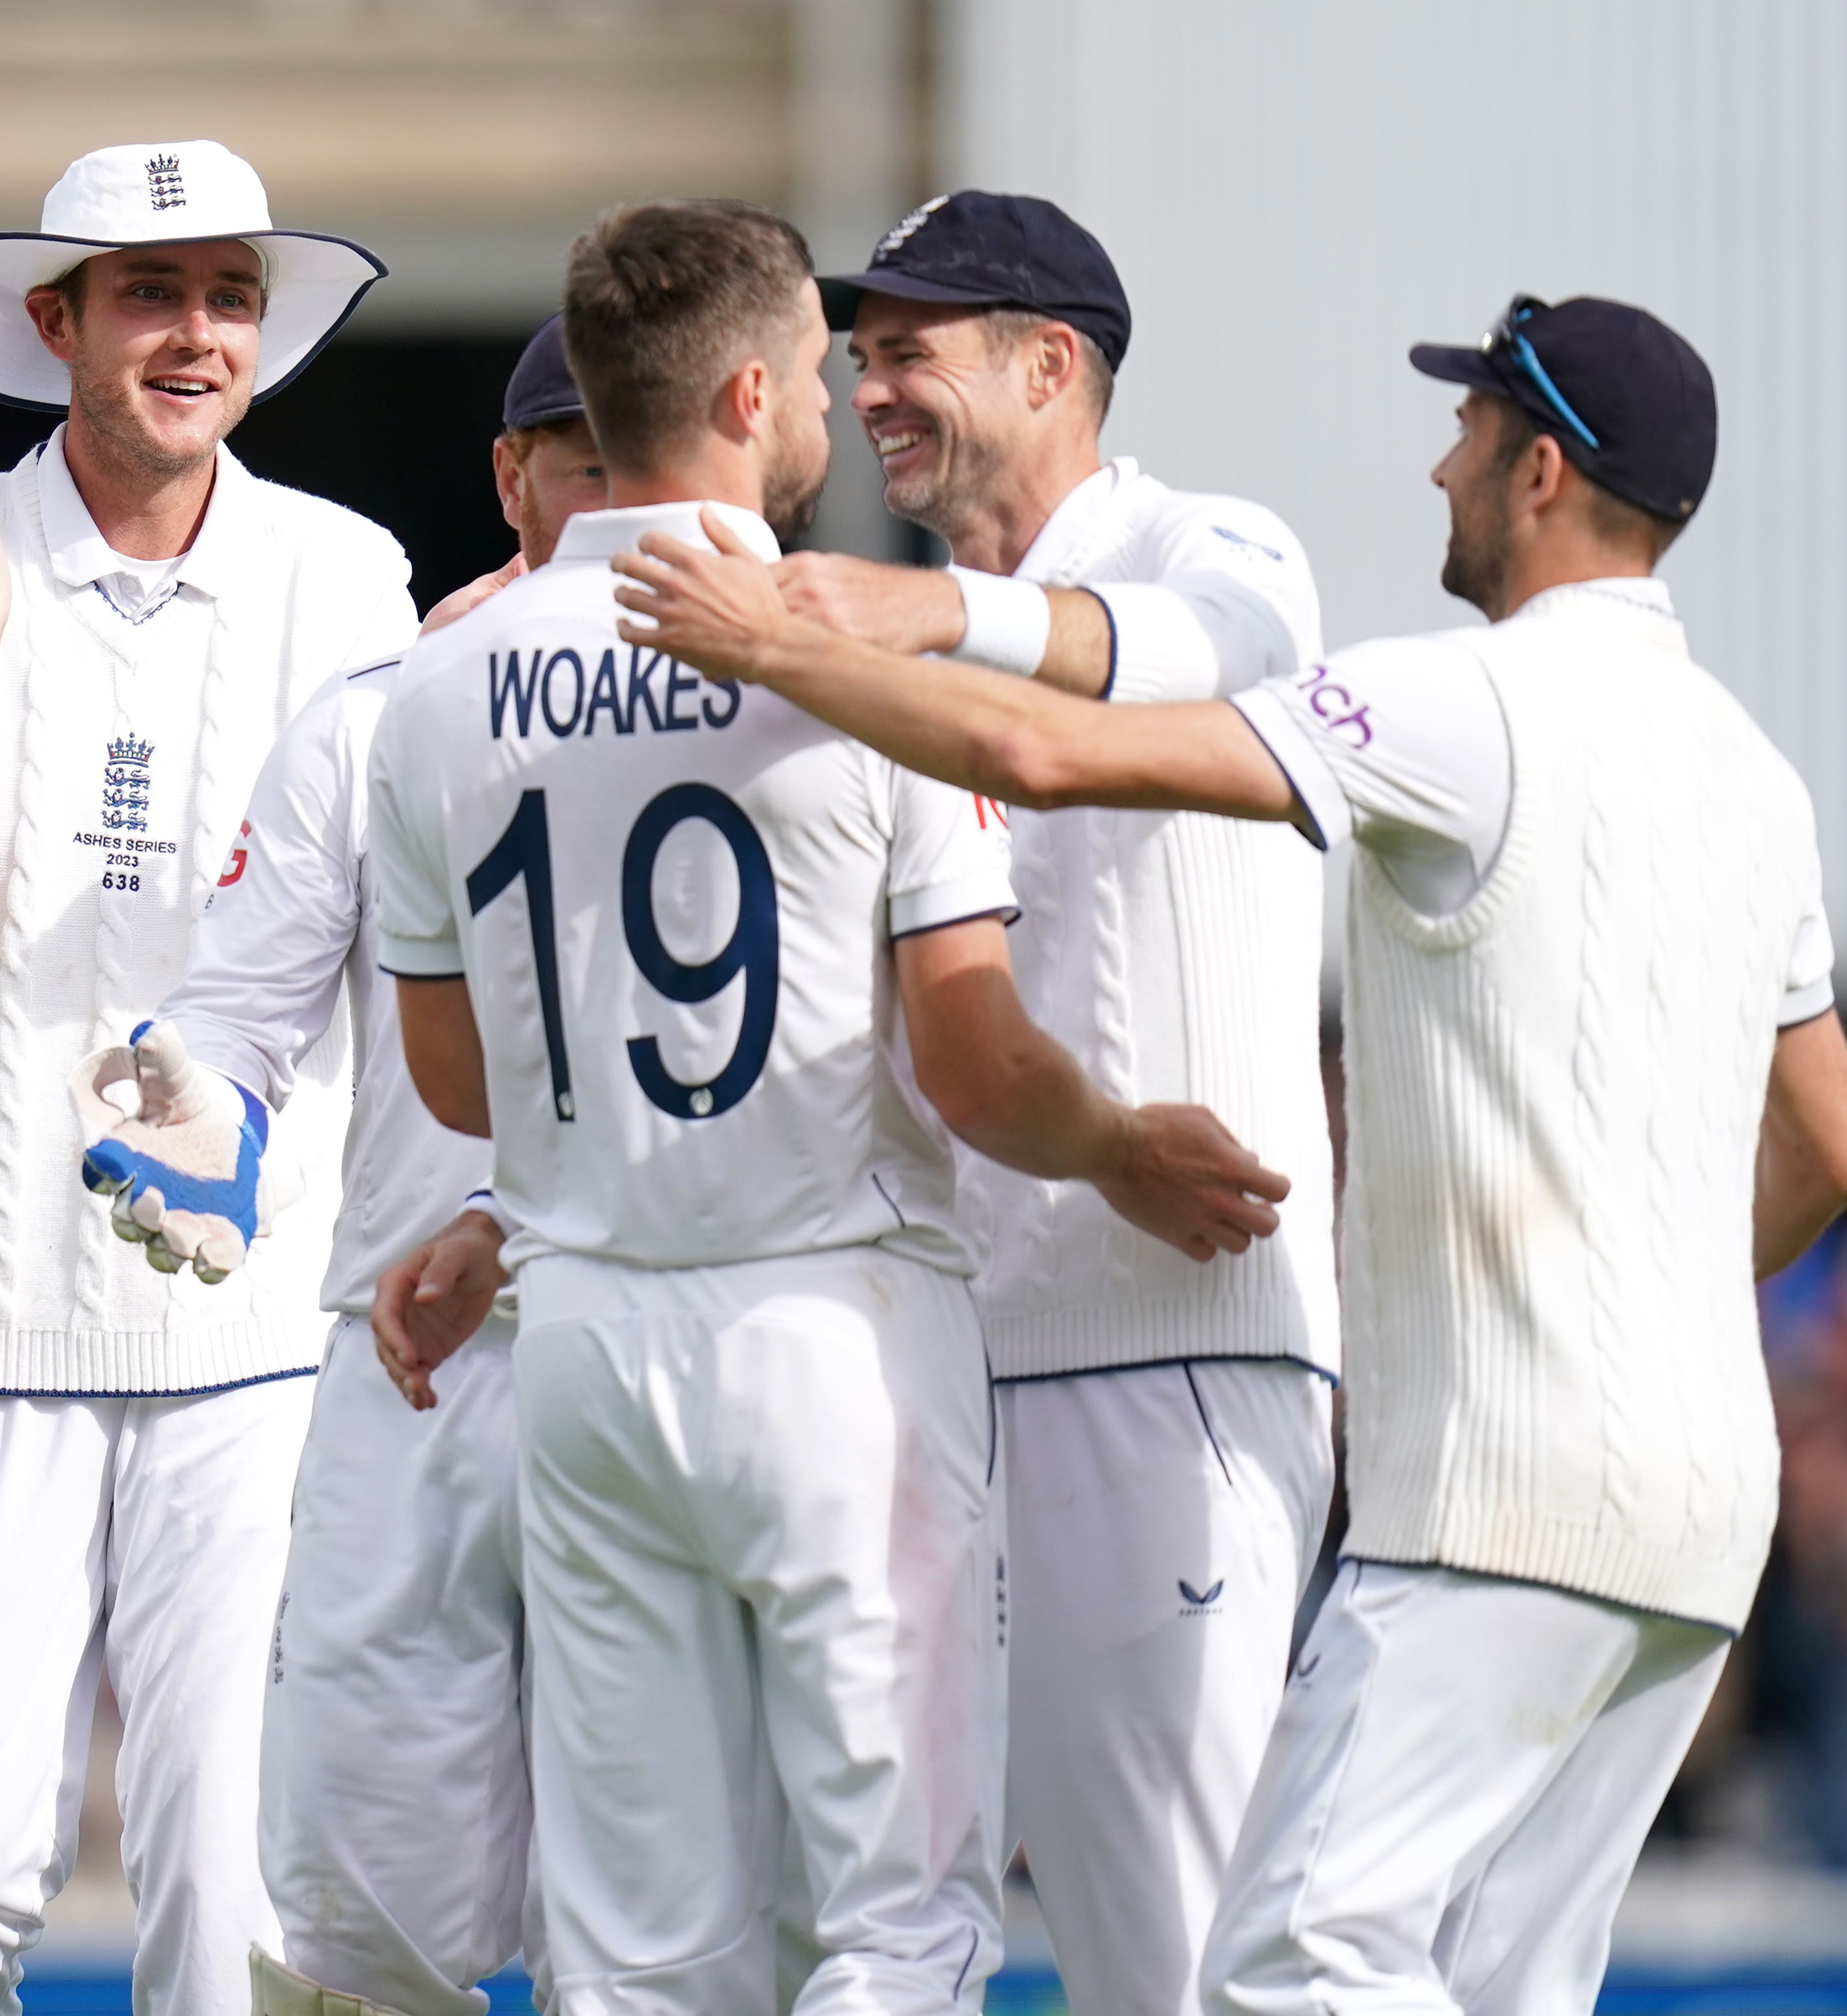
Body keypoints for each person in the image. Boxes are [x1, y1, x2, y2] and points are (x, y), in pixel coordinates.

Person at [615, 291, 1847, 2016]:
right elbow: (1823, 1138)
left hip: (1494, 1499)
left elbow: (1046, 751)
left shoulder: (1463, 700)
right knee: (1503, 1984)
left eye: (1471, 436)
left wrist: (781, 648)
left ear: (1544, 471)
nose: (1439, 467)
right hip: (1700, 1515)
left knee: (1286, 1962)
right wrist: (1658, 1313)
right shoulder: (1757, 772)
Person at [364, 198, 1289, 2016]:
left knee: (640, 1949)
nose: (830, 406)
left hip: (585, 1352)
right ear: (733, 396)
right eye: (809, 371)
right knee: (898, 1926)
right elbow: (970, 1065)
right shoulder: (858, 680)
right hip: (830, 1334)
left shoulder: (438, 681)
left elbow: (456, 1076)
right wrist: (1111, 1144)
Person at [0, 138, 413, 2016]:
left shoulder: (347, 574)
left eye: (230, 296)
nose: (197, 333)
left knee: (240, 1929)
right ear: (54, 321)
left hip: (248, 1355)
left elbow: (406, 964)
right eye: (153, 292)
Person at [783, 189, 1338, 2016]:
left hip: (1168, 1349)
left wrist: (916, 615)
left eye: (909, 351)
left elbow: (1169, 664)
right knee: (874, 1927)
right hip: (937, 1357)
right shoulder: (898, 640)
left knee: (1169, 1951)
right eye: (855, 358)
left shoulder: (1223, 542)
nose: (871, 390)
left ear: (1051, 362)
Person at [79, 316, 604, 2016]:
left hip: (645, 1336)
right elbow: (230, 1018)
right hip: (409, 1375)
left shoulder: (798, 690)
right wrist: (147, 1142)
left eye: (633, 452)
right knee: (359, 1924)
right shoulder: (374, 719)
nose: (607, 495)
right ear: (513, 474)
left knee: (663, 1902)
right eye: (574, 455)